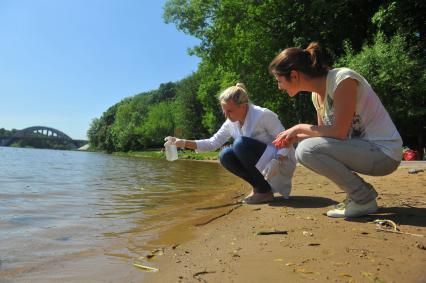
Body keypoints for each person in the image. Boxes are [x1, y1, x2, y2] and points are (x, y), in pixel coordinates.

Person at [269, 42, 402, 218]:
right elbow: (327, 135)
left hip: (384, 153)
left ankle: (363, 199)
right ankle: (358, 196)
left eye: (279, 80)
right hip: (364, 151)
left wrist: (299, 128)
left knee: (306, 150)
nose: (279, 87)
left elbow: (338, 131)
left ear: (293, 75)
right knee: (306, 147)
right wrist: (296, 137)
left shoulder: (342, 79)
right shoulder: (316, 97)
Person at [165, 83, 296, 204]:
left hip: (280, 161)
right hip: (264, 166)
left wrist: (277, 159)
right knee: (225, 155)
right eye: (224, 110)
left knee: (240, 144)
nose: (226, 115)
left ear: (243, 106)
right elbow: (213, 142)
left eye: (229, 111)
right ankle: (260, 188)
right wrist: (182, 143)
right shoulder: (230, 122)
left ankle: (263, 191)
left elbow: (286, 138)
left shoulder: (263, 115)